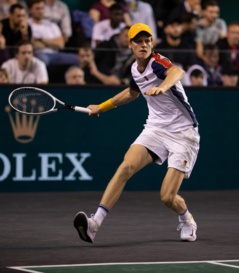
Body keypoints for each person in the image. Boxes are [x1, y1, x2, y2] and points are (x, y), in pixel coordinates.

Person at [73, 23, 200, 244]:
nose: (143, 45)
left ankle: (187, 219)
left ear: (151, 44)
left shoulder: (158, 63)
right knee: (126, 167)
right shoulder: (134, 69)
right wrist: (100, 107)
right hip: (156, 128)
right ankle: (95, 224)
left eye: (147, 41)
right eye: (138, 41)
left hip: (183, 133)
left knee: (167, 197)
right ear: (130, 45)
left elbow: (177, 72)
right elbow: (132, 93)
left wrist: (163, 86)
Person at [28, 0, 79, 66]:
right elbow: (33, 44)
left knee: (77, 59)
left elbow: (61, 44)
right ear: (30, 10)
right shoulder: (27, 24)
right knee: (42, 60)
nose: (40, 11)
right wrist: (52, 43)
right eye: (37, 9)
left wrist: (42, 40)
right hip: (38, 53)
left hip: (55, 54)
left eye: (42, 8)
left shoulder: (52, 25)